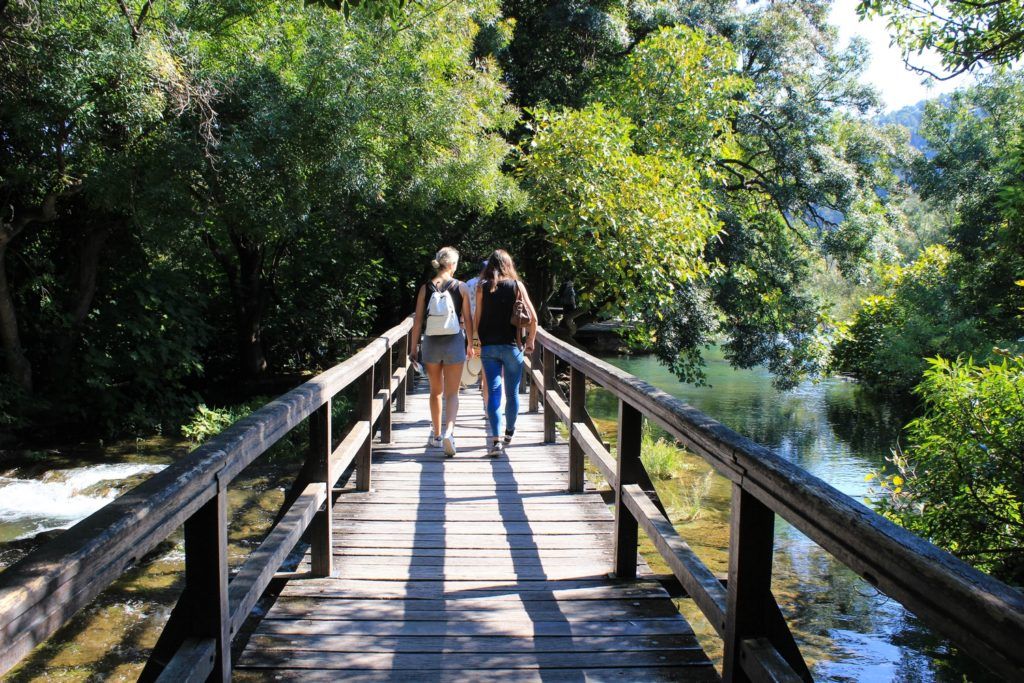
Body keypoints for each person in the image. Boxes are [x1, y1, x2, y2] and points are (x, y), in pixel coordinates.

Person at [409, 247, 475, 457]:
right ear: (453, 264)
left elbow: (418, 321)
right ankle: (450, 432)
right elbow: (468, 319)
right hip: (454, 342)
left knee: (435, 391)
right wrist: (472, 344)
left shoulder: (425, 288)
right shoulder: (461, 287)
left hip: (431, 343)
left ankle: (436, 436)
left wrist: (413, 348)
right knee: (452, 393)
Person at [475, 249, 538, 457]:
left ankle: (495, 440)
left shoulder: (483, 287)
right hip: (513, 347)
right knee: (512, 394)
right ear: (508, 265)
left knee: (493, 393)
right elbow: (533, 318)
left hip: (489, 347)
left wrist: (475, 342)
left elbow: (477, 319)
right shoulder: (517, 286)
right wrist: (530, 341)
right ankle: (509, 433)